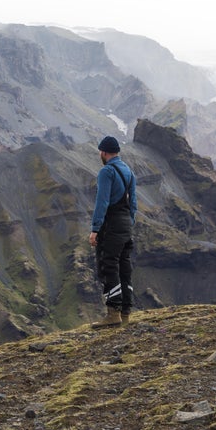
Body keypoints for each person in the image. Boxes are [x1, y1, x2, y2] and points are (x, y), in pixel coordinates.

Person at [89, 135, 137, 327]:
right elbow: (133, 203)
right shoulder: (128, 171)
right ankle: (125, 313)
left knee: (109, 264)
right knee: (124, 266)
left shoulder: (106, 172)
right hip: (126, 224)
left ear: (104, 152)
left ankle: (113, 313)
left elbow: (102, 202)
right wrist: (129, 222)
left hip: (112, 224)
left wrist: (95, 229)